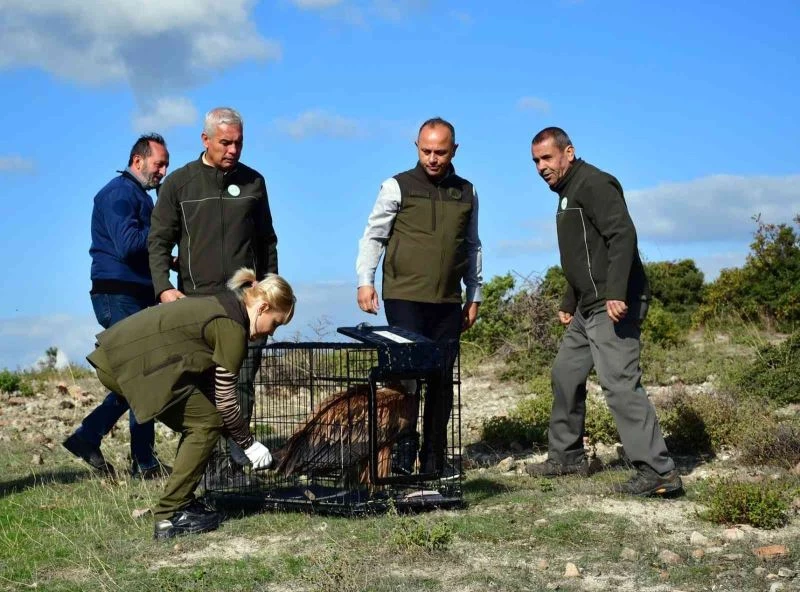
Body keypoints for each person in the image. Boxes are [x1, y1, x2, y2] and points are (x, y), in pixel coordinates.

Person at [526, 126, 682, 497]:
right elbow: (583, 255)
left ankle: (658, 471)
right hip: (588, 306)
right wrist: (569, 299)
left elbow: (622, 235)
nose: (541, 167)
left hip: (614, 304)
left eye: (547, 158)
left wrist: (615, 293)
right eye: (535, 161)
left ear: (569, 152)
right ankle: (567, 457)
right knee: (565, 372)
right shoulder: (567, 193)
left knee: (619, 383)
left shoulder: (594, 183)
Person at [86, 268, 295, 539]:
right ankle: (170, 516)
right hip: (129, 366)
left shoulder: (225, 305)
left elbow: (209, 384)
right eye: (275, 323)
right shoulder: (232, 327)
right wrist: (248, 444)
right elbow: (225, 398)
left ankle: (181, 502)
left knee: (207, 418)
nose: (273, 332)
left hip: (118, 357)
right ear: (263, 307)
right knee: (207, 422)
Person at [148, 107, 279, 474]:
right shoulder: (178, 184)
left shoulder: (254, 182)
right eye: (225, 142)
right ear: (205, 140)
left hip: (245, 304)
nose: (233, 149)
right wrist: (163, 289)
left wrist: (269, 293)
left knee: (240, 382)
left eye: (238, 142)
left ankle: (237, 458)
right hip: (197, 304)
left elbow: (267, 241)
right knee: (203, 387)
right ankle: (204, 462)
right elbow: (158, 241)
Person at [356, 117, 482, 476]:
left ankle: (434, 459)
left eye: (440, 152)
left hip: (447, 301)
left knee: (441, 381)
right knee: (405, 378)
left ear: (453, 150)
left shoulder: (467, 192)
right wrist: (365, 280)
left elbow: (472, 245)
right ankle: (400, 455)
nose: (433, 158)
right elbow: (374, 236)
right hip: (404, 298)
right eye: (426, 151)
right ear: (416, 147)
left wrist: (474, 296)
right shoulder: (396, 186)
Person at [63, 133, 170, 479]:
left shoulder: (136, 195)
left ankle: (90, 438)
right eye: (159, 164)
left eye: (165, 165)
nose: (163, 172)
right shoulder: (120, 194)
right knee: (142, 375)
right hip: (118, 294)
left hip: (132, 294)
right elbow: (128, 244)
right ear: (138, 161)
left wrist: (168, 260)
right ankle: (143, 461)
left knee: (139, 375)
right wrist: (164, 236)